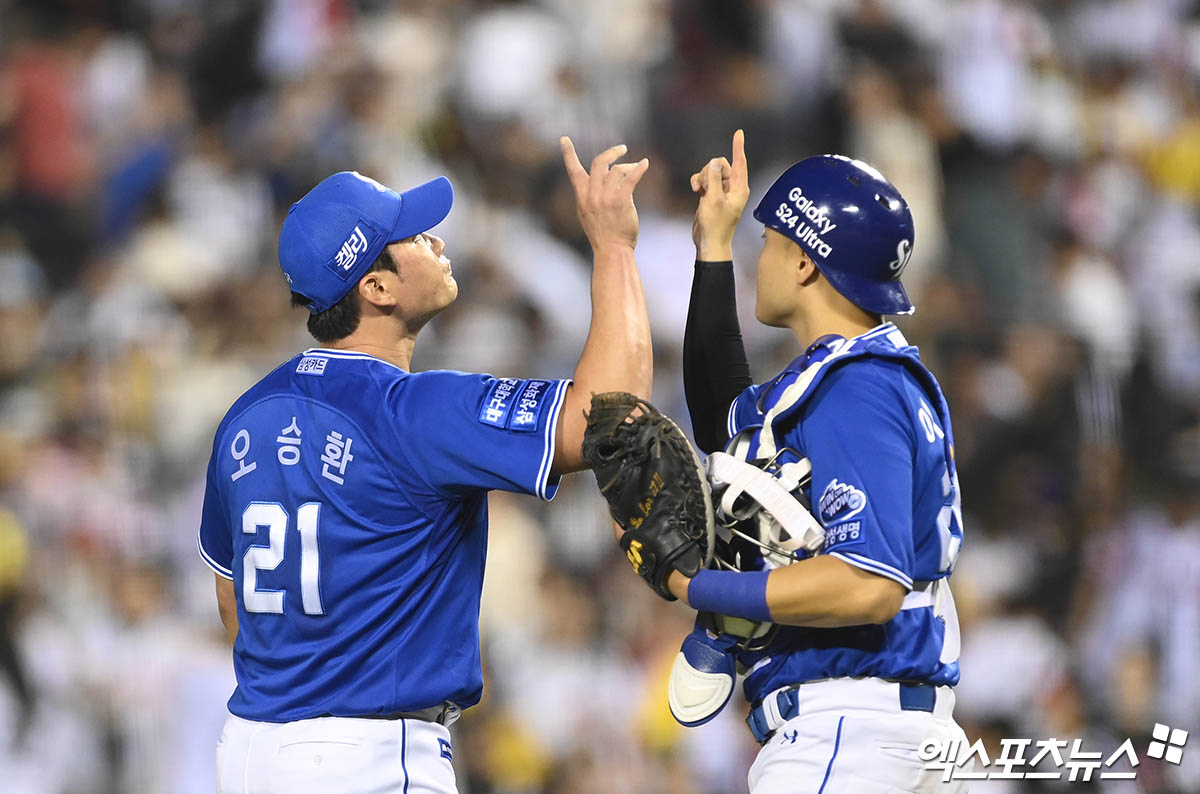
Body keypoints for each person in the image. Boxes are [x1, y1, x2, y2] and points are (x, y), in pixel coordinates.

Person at [196, 139, 652, 794]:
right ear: (375, 285)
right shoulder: (414, 411)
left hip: (254, 750)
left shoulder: (246, 415)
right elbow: (615, 418)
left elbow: (231, 597)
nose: (434, 238)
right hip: (369, 754)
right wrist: (613, 248)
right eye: (409, 234)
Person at [670, 130, 971, 793]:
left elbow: (867, 585)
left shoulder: (859, 384)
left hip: (850, 734)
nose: (762, 258)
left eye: (770, 243)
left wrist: (694, 587)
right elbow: (724, 416)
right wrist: (712, 247)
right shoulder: (847, 377)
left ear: (806, 263)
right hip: (882, 734)